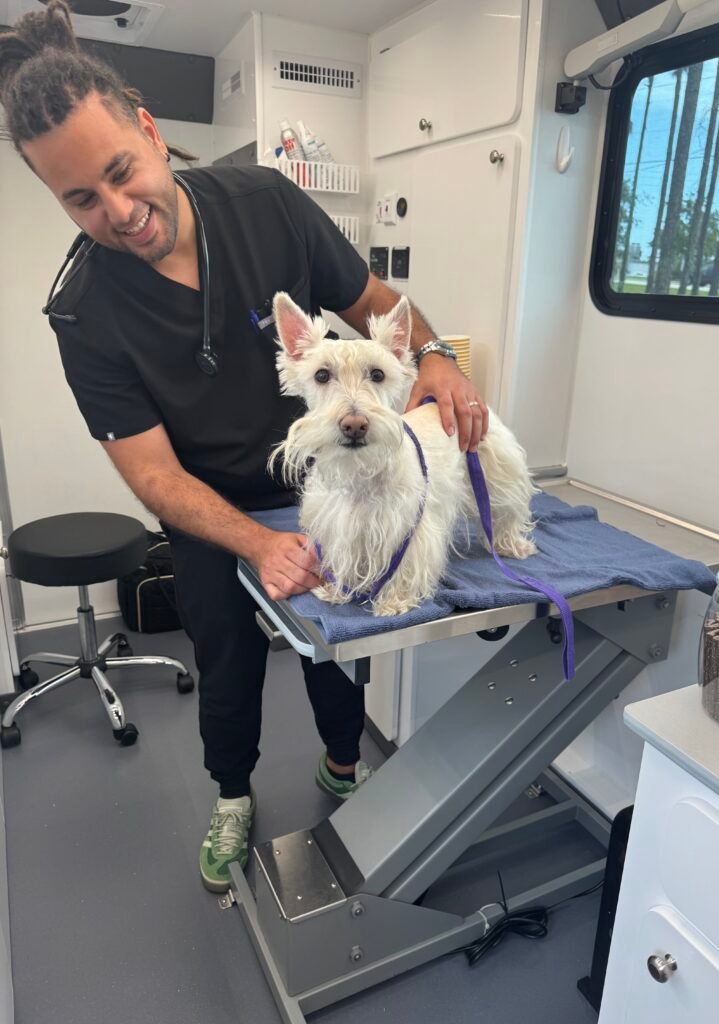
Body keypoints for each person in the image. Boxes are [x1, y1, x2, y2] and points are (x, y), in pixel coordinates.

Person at [0, 0, 489, 892]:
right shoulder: (84, 312)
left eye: (121, 172)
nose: (119, 211)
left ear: (150, 132)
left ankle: (343, 763)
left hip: (324, 481)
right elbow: (152, 474)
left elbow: (378, 304)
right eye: (81, 199)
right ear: (55, 199)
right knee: (225, 658)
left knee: (339, 632)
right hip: (206, 502)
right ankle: (232, 796)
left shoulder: (268, 205)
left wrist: (437, 358)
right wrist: (258, 543)